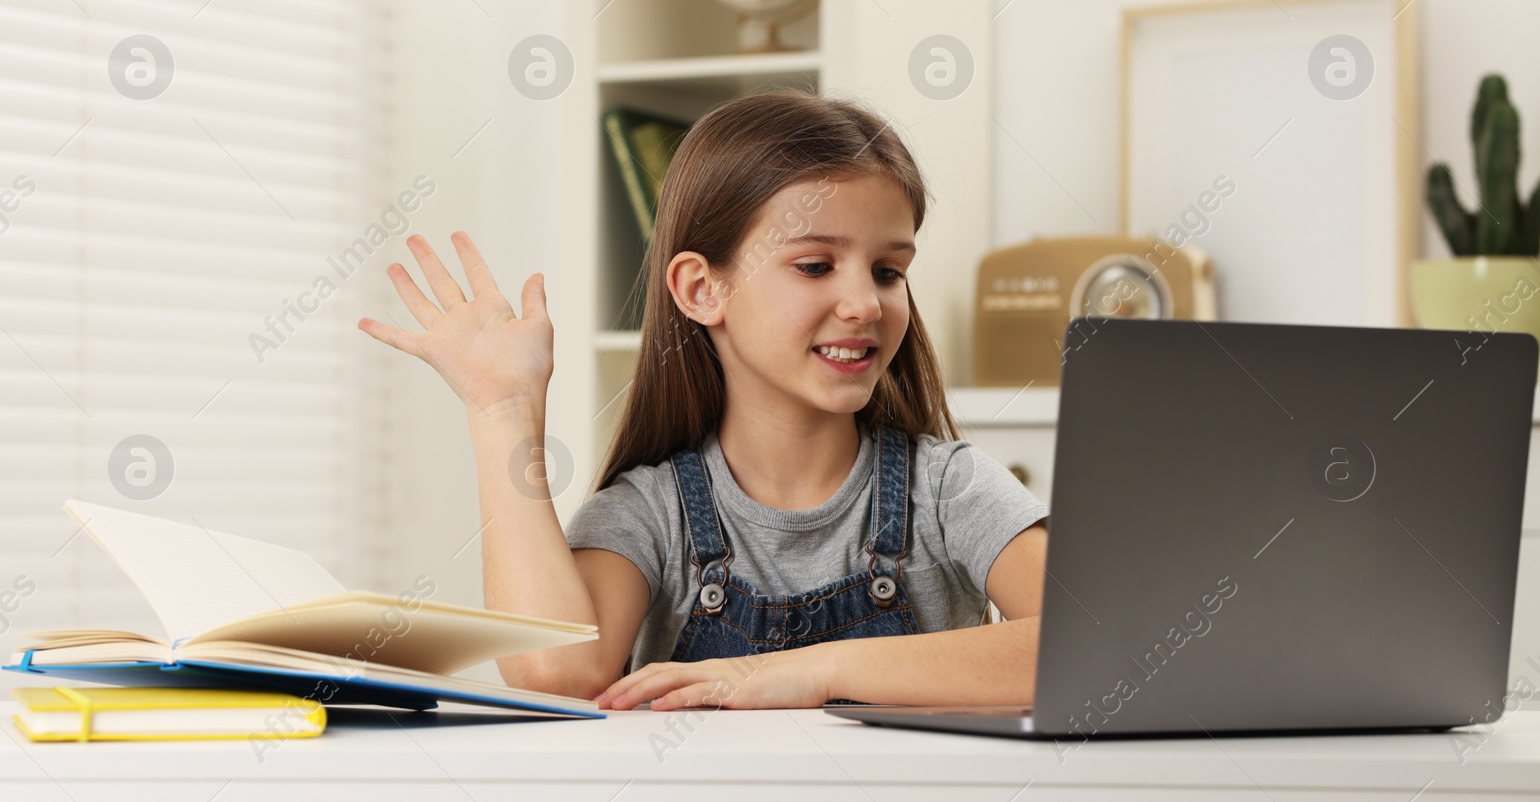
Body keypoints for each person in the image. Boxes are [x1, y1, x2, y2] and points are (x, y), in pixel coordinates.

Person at [358, 89, 1048, 711]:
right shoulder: (650, 513)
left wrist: (817, 670)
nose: (866, 301)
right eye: (815, 265)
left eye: (889, 270)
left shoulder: (951, 490)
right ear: (700, 289)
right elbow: (556, 670)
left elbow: (1097, 647)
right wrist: (501, 409)